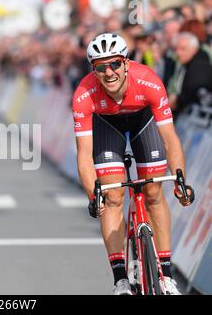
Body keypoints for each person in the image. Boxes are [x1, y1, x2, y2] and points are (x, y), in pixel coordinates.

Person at [72, 33, 194, 295]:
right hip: (107, 126)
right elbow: (84, 153)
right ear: (94, 70)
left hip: (143, 123)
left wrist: (180, 180)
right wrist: (94, 195)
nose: (109, 72)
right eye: (100, 67)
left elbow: (170, 138)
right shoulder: (84, 94)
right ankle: (120, 279)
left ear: (126, 63)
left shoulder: (148, 81)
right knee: (113, 197)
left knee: (152, 193)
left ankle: (166, 274)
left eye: (114, 64)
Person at [169, 32, 212, 120]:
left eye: (183, 49)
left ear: (194, 49)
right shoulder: (188, 64)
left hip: (197, 120)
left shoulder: (199, 65)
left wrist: (177, 99)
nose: (178, 53)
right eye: (176, 49)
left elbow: (194, 92)